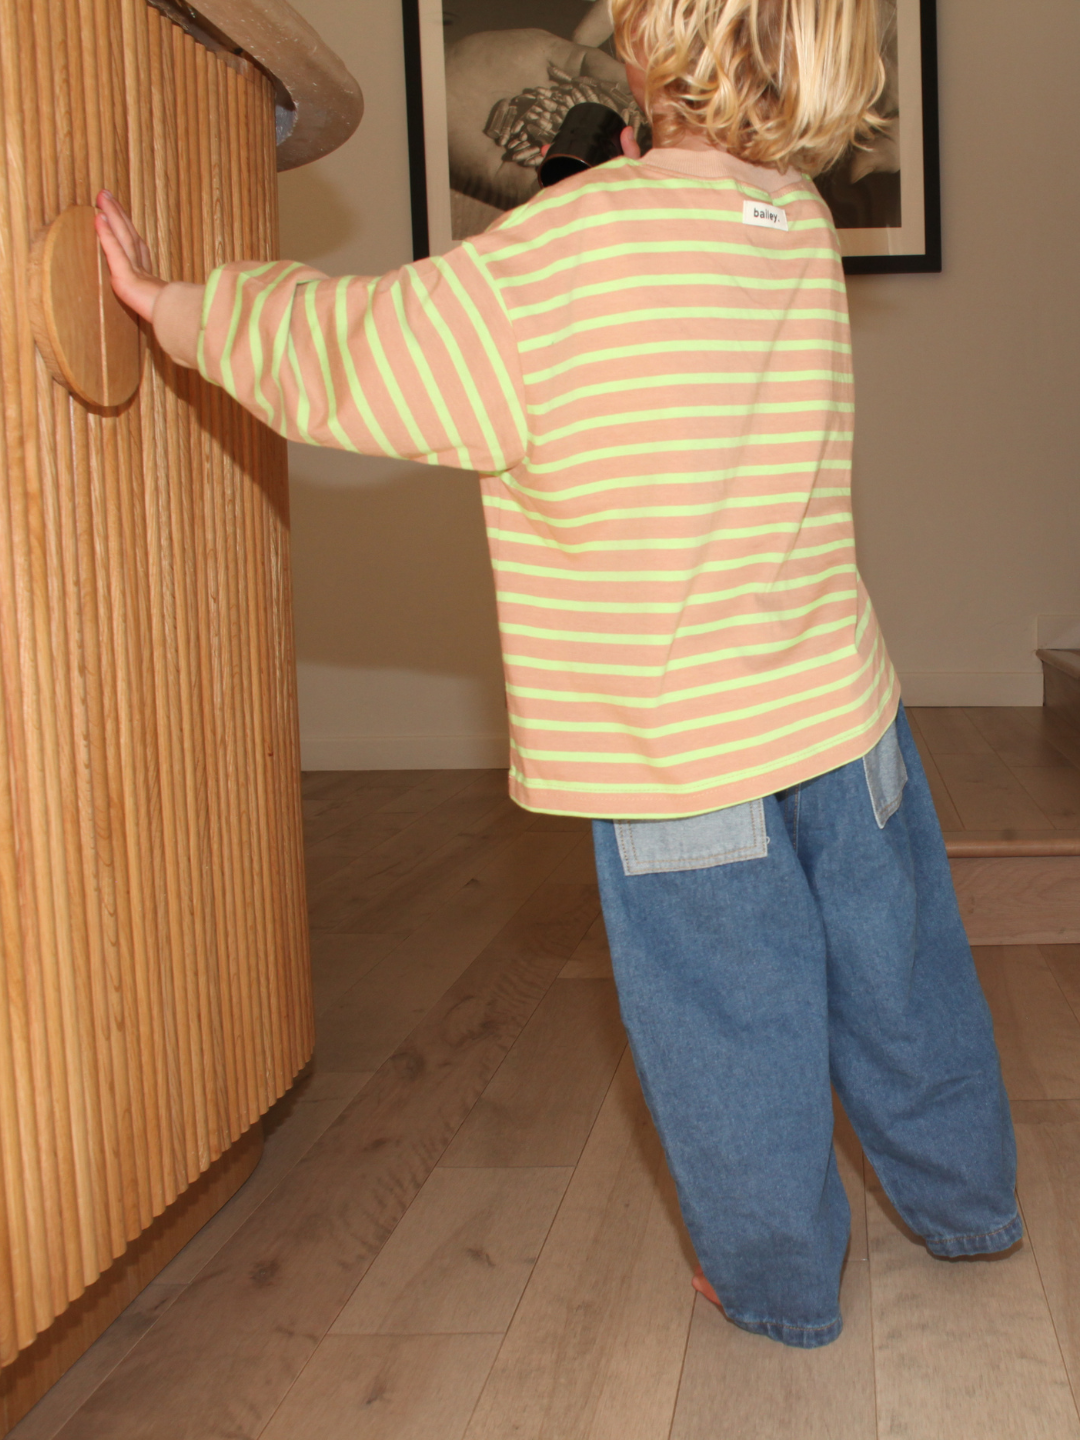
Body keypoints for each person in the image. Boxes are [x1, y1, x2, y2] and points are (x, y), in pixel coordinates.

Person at [95, 0, 1020, 1351]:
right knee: (904, 973)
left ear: (657, 42)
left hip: (676, 747)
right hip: (842, 710)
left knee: (731, 1020)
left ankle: (771, 1278)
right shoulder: (798, 228)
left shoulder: (561, 253)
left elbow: (365, 350)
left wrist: (185, 309)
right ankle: (969, 1203)